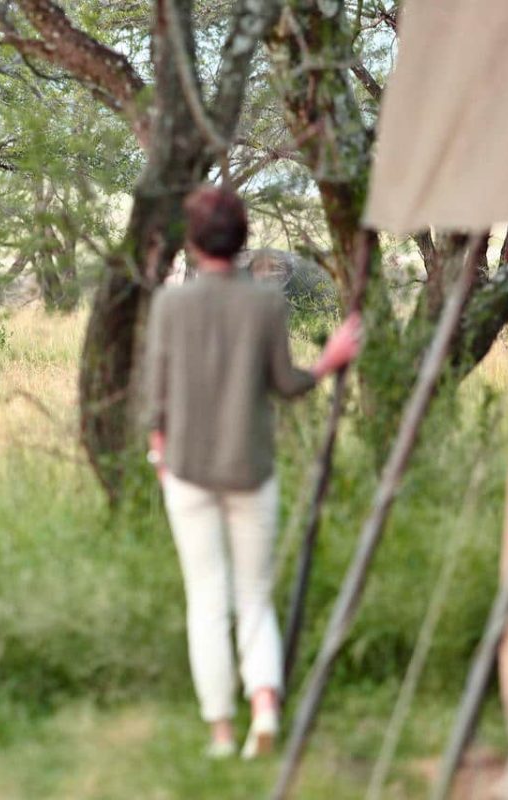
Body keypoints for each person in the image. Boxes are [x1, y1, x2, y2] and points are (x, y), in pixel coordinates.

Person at [143, 185, 362, 759]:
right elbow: (287, 385)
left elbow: (154, 397)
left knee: (207, 600)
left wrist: (159, 452)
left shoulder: (170, 304)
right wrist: (328, 362)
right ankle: (263, 706)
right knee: (255, 595)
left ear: (193, 242)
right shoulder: (266, 303)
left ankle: (220, 731)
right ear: (242, 240)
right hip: (251, 470)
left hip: (187, 471)